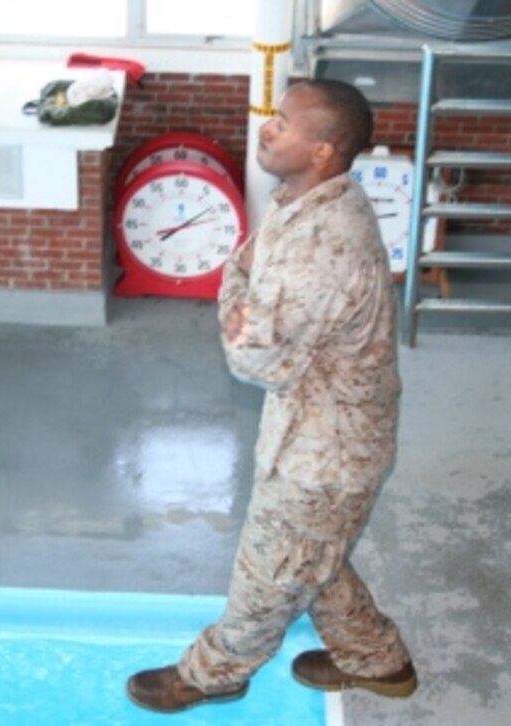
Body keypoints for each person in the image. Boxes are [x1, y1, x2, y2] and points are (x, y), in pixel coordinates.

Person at [126, 79, 417, 713]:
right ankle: (380, 661)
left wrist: (237, 307)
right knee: (311, 555)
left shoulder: (322, 245)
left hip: (326, 456)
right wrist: (241, 301)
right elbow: (243, 271)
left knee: (271, 569)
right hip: (318, 432)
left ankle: (213, 674)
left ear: (323, 149)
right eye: (273, 117)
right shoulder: (308, 200)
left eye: (284, 122)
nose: (267, 128)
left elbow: (258, 358)